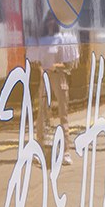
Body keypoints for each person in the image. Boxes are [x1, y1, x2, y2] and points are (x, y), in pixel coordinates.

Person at [28, 14, 78, 165]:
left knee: (63, 114)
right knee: (42, 114)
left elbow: (69, 65)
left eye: (53, 20)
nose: (50, 23)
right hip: (45, 77)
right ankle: (40, 148)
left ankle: (66, 152)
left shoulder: (61, 39)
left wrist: (54, 66)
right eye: (48, 20)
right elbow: (36, 61)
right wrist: (41, 70)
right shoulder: (41, 41)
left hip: (58, 76)